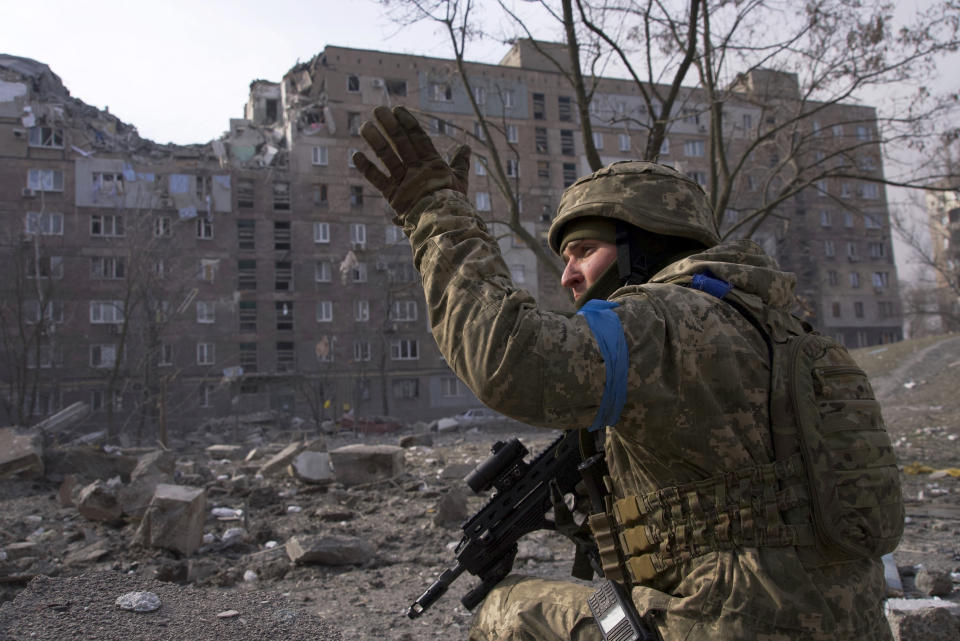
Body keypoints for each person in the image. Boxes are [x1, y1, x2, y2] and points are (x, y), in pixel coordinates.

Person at [353, 106, 900, 641]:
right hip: (848, 621)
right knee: (607, 598)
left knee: (506, 609)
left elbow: (508, 359)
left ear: (646, 246)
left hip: (724, 621)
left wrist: (436, 212)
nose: (568, 275)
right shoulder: (787, 332)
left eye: (584, 251)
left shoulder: (662, 319)